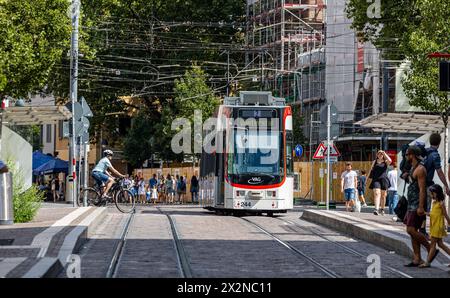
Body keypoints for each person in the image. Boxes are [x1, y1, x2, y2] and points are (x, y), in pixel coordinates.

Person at [403, 146, 435, 267]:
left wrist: (421, 206)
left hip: (417, 204)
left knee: (410, 230)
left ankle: (430, 248)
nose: (406, 157)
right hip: (411, 203)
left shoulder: (421, 169)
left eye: (407, 154)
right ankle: (417, 258)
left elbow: (422, 190)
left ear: (412, 155)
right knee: (412, 231)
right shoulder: (413, 168)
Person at [419, 184, 450, 268]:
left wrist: (449, 223)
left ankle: (427, 262)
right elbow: (433, 214)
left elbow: (445, 214)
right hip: (434, 226)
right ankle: (428, 262)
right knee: (440, 244)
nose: (430, 194)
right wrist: (425, 213)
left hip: (438, 226)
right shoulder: (435, 202)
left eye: (432, 193)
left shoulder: (441, 203)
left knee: (432, 245)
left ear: (436, 193)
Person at [368, 150, 392, 215]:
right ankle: (376, 209)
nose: (380, 155)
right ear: (377, 155)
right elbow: (370, 170)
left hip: (384, 179)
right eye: (379, 154)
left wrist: (384, 153)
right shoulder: (374, 161)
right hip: (376, 179)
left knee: (383, 196)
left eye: (381, 154)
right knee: (376, 193)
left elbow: (390, 160)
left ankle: (382, 209)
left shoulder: (385, 162)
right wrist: (367, 179)